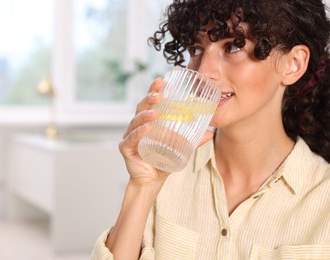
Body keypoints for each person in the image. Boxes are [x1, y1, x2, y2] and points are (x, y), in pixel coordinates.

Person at [92, 0, 330, 259]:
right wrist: (142, 187)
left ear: (293, 64)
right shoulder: (166, 171)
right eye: (196, 48)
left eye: (234, 46)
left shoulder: (323, 198)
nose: (204, 71)